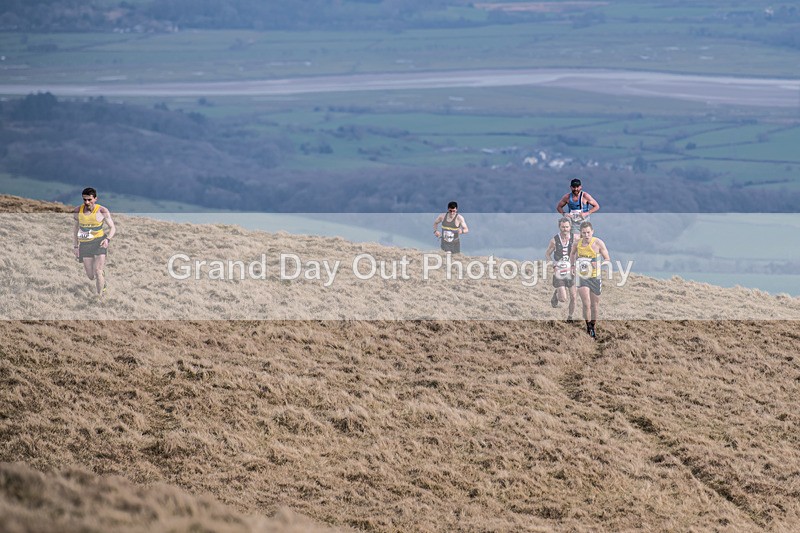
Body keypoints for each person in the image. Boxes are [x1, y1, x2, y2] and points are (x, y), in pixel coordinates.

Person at [570, 221, 610, 339]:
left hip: (595, 277)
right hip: (582, 276)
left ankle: (593, 324)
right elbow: (572, 254)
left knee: (594, 305)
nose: (586, 235)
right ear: (581, 234)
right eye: (584, 233)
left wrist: (599, 264)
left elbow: (607, 259)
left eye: (588, 232)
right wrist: (572, 266)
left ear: (592, 232)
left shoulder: (598, 243)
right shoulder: (577, 243)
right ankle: (589, 327)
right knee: (586, 303)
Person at [73, 187, 116, 297]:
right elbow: (76, 229)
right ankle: (102, 276)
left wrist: (107, 239)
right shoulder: (78, 210)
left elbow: (113, 228)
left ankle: (100, 296)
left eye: (89, 199)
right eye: (84, 200)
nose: (87, 202)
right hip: (85, 244)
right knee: (91, 276)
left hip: (99, 242)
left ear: (95, 198)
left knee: (97, 270)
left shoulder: (102, 211)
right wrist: (76, 247)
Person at [545, 217, 577, 321]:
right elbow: (547, 254)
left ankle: (570, 317)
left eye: (567, 227)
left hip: (571, 271)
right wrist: (553, 265)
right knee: (563, 299)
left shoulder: (575, 238)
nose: (565, 229)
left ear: (570, 227)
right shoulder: (554, 240)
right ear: (559, 227)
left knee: (574, 296)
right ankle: (556, 293)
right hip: (559, 271)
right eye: (563, 227)